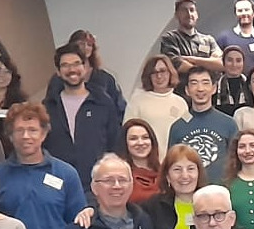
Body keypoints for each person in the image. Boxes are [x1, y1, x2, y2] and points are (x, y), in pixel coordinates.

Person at [43, 44, 121, 182]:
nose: (72, 69)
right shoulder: (48, 107)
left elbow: (114, 143)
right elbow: (43, 148)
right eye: (65, 65)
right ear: (58, 71)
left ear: (85, 68)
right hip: (59, 183)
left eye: (76, 63)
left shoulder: (103, 103)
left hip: (97, 183)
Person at [168, 69, 239, 183]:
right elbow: (171, 165)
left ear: (214, 88)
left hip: (221, 193)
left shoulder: (229, 123)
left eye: (205, 83)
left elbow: (236, 162)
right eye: (194, 83)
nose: (200, 88)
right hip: (187, 193)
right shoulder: (177, 127)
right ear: (187, 90)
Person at [145, 144, 205, 229]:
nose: (185, 176)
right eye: (177, 169)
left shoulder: (210, 203)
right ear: (167, 176)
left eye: (191, 169)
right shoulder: (153, 207)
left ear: (198, 173)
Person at [46, 30, 127, 119]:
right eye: (81, 44)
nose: (85, 47)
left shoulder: (106, 79)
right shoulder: (57, 80)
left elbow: (119, 109)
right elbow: (49, 107)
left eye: (89, 44)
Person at [124, 55, 189, 148]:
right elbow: (128, 133)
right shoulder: (137, 101)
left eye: (162, 71)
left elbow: (187, 132)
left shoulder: (181, 103)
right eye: (154, 72)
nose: (159, 76)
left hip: (173, 159)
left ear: (170, 72)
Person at [160, 0, 224, 76]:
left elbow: (221, 64)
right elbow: (175, 64)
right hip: (181, 87)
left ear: (197, 15)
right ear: (176, 15)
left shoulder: (208, 40)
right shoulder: (169, 38)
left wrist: (190, 59)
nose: (189, 14)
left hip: (208, 88)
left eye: (192, 10)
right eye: (184, 10)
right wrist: (208, 64)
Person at [215, 0, 254, 72]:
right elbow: (217, 66)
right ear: (235, 14)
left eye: (247, 10)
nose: (244, 13)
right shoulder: (224, 38)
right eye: (240, 10)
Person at [122, 119, 163, 205]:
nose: (140, 143)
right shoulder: (121, 175)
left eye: (145, 137)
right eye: (133, 138)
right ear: (125, 143)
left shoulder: (165, 172)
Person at [215, 46, 251, 117]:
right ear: (223, 62)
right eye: (230, 60)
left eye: (238, 60)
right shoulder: (214, 88)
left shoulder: (251, 86)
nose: (234, 64)